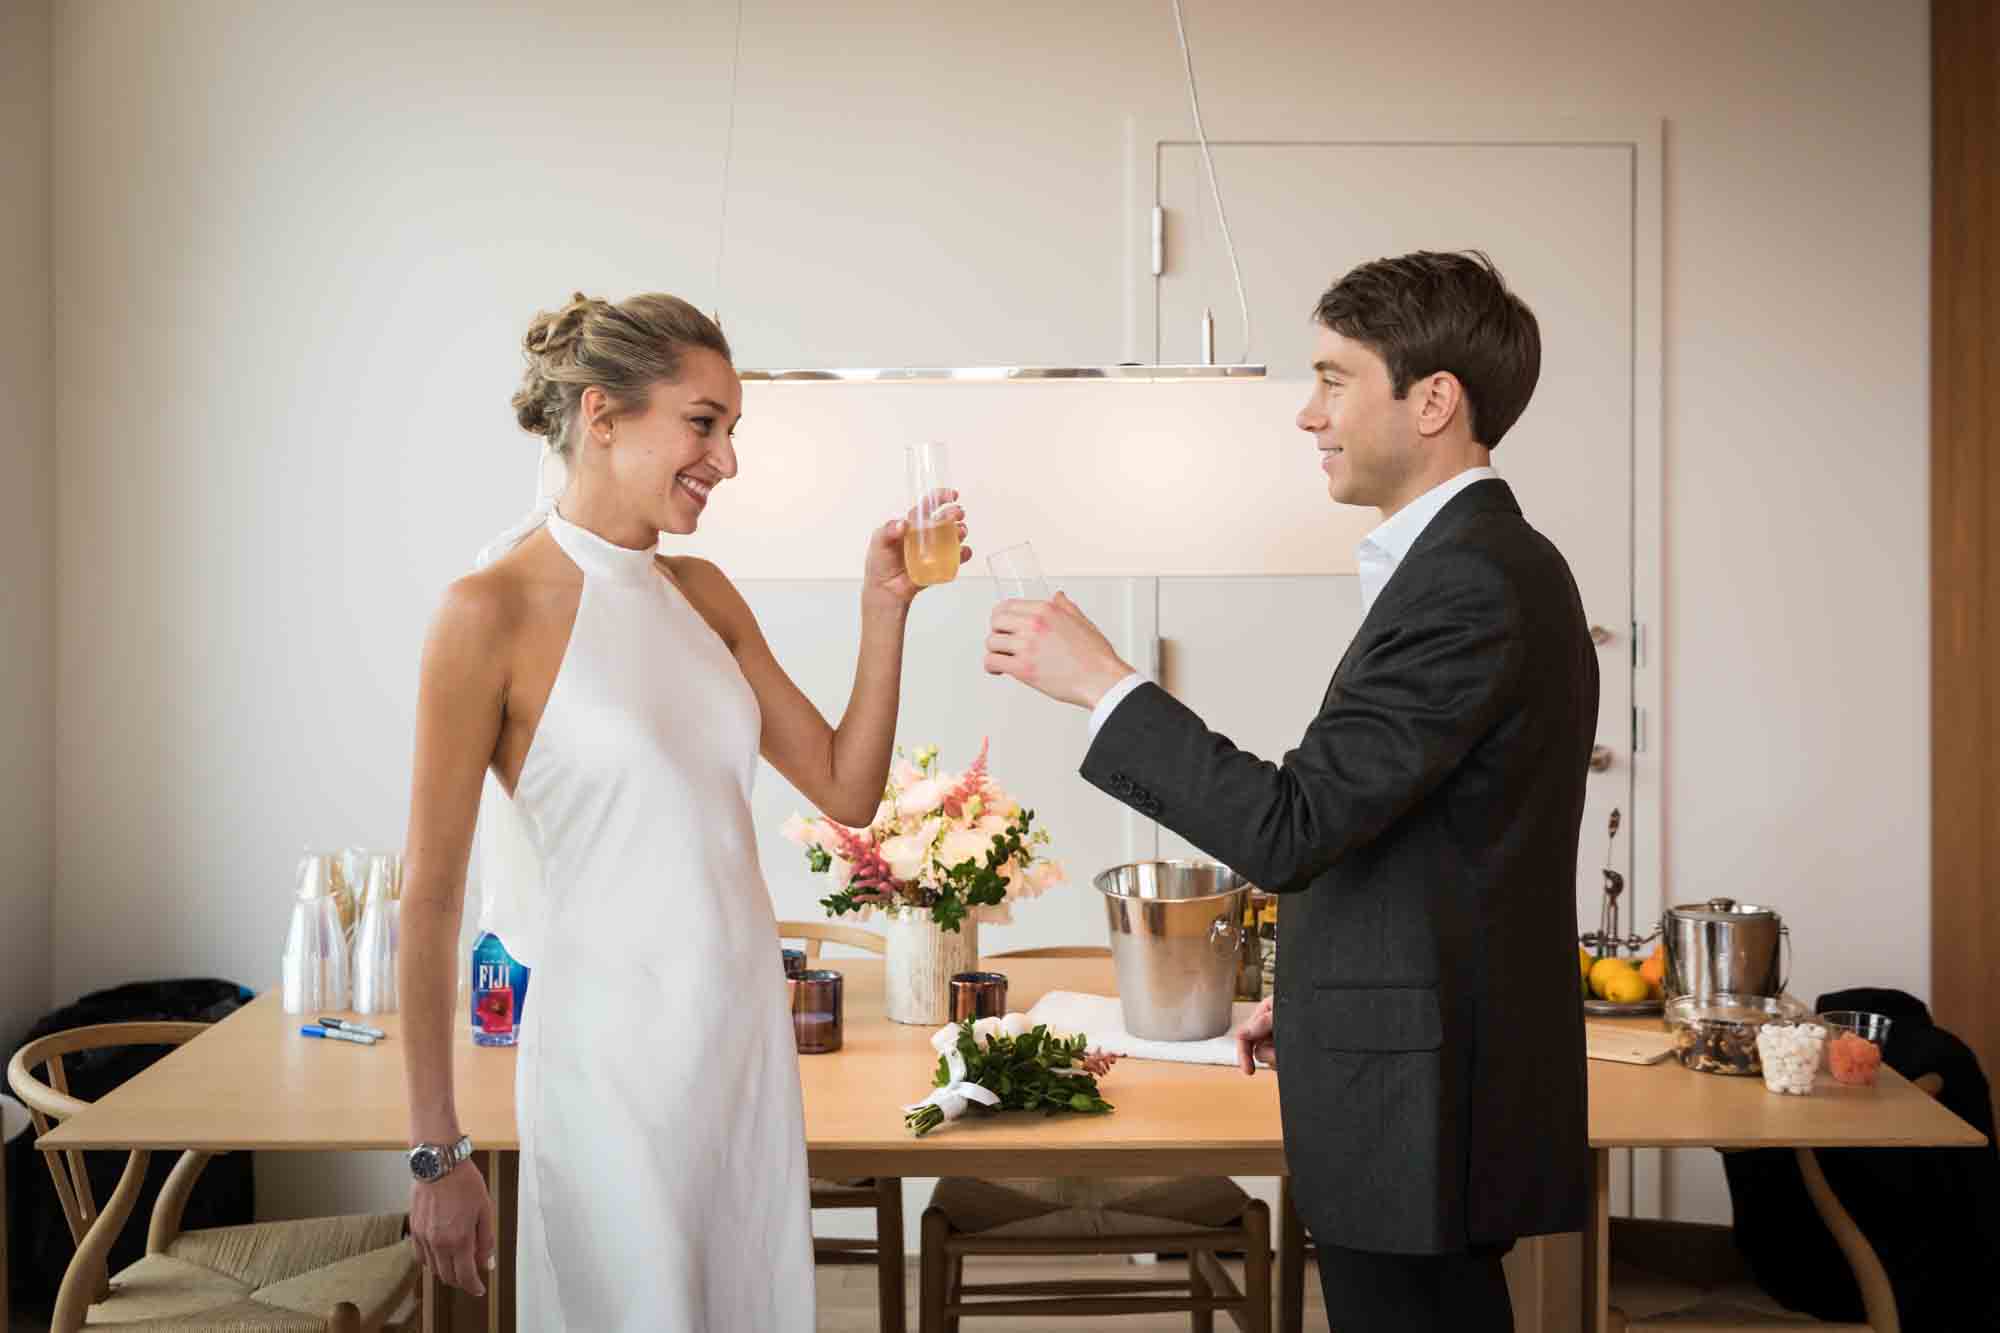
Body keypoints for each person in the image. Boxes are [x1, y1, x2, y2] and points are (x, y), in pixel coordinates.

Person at [985, 251, 1594, 1332]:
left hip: (1426, 1097)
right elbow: (1399, 838)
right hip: (1408, 1067)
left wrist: (1102, 683)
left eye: (1331, 378)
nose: (1306, 415)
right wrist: (1315, 993)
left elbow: (1292, 825)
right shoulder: (1465, 564)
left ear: (1433, 401)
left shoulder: (1472, 578)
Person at [396, 291, 969, 1330]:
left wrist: (884, 608)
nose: (727, 459)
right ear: (604, 414)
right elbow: (428, 898)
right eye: (704, 424)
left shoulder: (703, 595)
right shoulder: (488, 612)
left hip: (742, 1050)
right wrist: (437, 1149)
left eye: (730, 430)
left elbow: (845, 785)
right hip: (608, 1066)